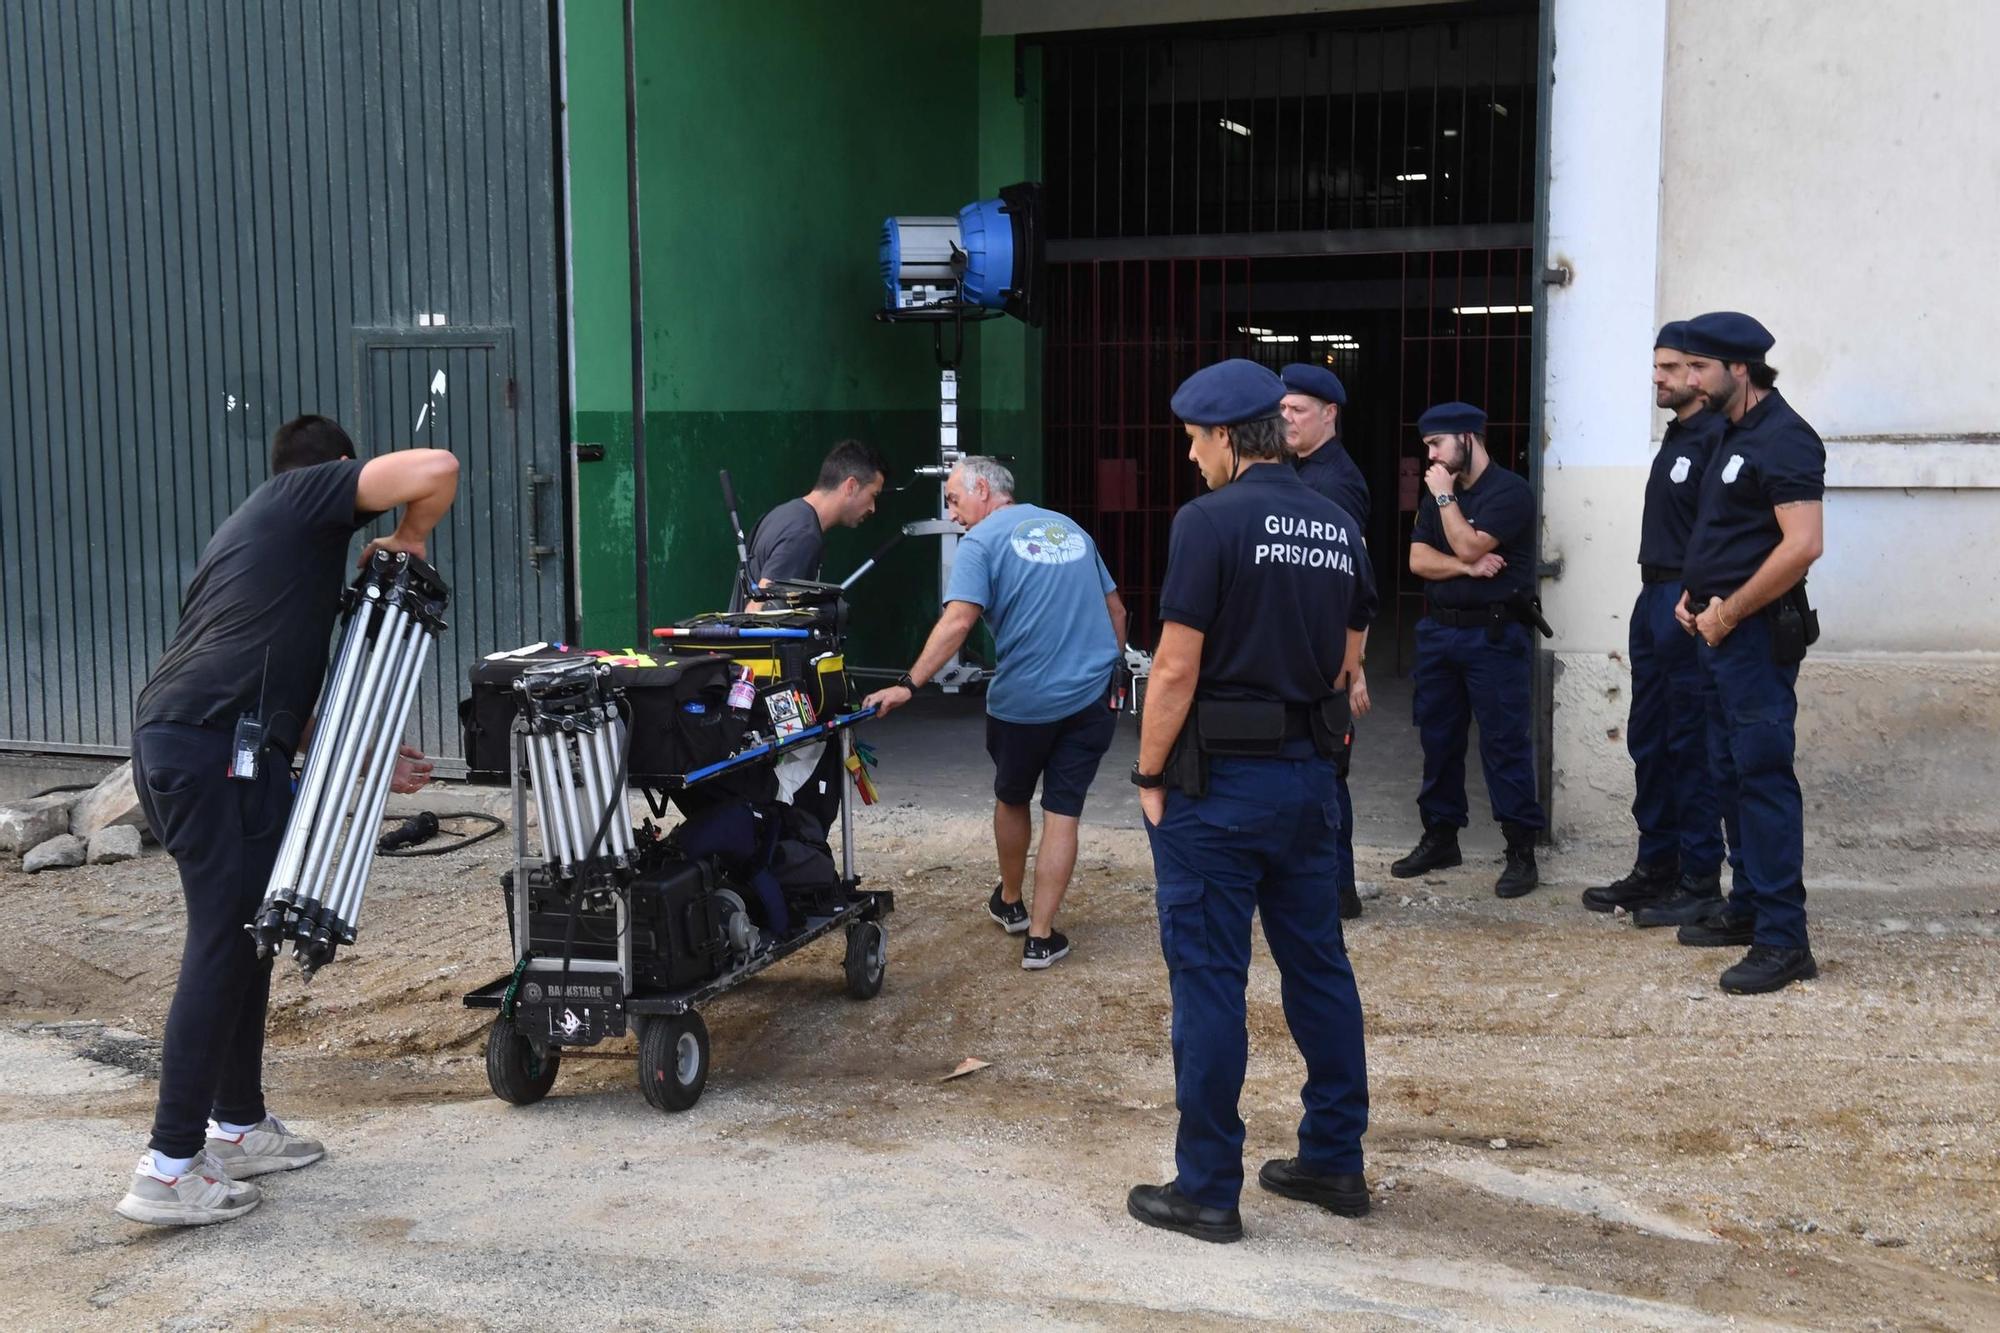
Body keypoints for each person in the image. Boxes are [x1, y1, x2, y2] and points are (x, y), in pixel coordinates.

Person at [116, 415, 458, 1227]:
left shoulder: (258, 544)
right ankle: (168, 1166)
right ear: (338, 471)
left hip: (213, 745)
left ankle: (236, 1125)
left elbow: (276, 696)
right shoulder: (300, 497)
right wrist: (410, 534)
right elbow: (437, 465)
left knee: (248, 935)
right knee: (218, 941)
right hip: (209, 753)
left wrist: (373, 756)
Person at [1124, 359, 1375, 1244]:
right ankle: (1335, 1158)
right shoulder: (1338, 522)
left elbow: (1176, 667)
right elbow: (1351, 661)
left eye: (1195, 441)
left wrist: (1149, 776)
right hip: (1309, 784)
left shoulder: (1209, 522)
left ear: (1228, 437)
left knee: (1208, 982)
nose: (1191, 458)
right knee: (1318, 968)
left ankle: (1206, 1188)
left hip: (1218, 790)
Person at [861, 456, 1124, 970]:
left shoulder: (980, 544)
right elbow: (1115, 609)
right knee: (1063, 812)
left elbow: (959, 622)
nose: (953, 514)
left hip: (1024, 704)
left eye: (955, 500)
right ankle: (1042, 938)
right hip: (1091, 698)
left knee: (1013, 796)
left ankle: (1010, 900)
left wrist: (908, 685)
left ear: (983, 489)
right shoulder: (1070, 529)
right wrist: (1108, 668)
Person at [1672, 312, 1825, 994]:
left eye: (1700, 368)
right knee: (1728, 772)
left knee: (1762, 778)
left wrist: (1729, 610)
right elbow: (1725, 532)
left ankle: (1784, 939)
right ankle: (1748, 906)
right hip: (1716, 631)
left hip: (1754, 636)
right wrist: (1693, 592)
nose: (1690, 380)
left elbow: (1802, 545)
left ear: (1740, 369)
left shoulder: (1786, 438)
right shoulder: (1730, 433)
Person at [1583, 323, 1728, 918]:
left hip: (1684, 601)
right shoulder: (1678, 436)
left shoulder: (1717, 439)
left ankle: (1697, 881)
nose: (1658, 377)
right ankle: (1656, 865)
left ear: (1698, 373)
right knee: (1650, 737)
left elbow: (1719, 532)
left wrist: (1697, 598)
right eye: (1658, 366)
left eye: (1669, 367)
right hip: (1653, 598)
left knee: (1688, 740)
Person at [1392, 402, 1547, 896]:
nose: (1431, 456)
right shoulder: (1441, 493)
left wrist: (1445, 507)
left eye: (1437, 444)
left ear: (1467, 437)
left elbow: (1467, 544)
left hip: (1494, 635)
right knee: (1438, 740)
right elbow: (1419, 559)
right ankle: (1441, 836)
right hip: (1440, 633)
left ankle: (1521, 850)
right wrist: (1465, 568)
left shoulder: (1510, 491)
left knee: (1503, 744)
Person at [1280, 363, 1371, 920]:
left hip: (1325, 658)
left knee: (1327, 771)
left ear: (1329, 414)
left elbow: (1353, 579)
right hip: (1304, 649)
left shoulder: (1336, 481)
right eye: (1282, 408)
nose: (1285, 417)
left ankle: (1339, 889)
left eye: (1298, 409)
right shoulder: (1301, 470)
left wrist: (1352, 666)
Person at [730, 439, 886, 610]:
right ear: (851, 486)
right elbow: (758, 610)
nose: (873, 508)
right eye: (874, 495)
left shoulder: (782, 515)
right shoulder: (803, 534)